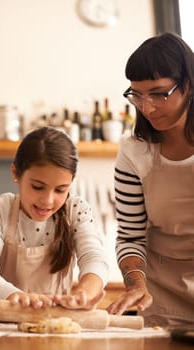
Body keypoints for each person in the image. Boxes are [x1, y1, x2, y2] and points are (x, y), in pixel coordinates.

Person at [107, 33, 194, 327]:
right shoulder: (135, 152)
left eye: (159, 93)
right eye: (137, 95)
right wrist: (135, 284)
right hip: (163, 301)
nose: (148, 107)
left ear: (189, 84)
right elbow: (131, 237)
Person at [0, 127, 108, 309]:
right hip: (1, 325)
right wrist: (14, 295)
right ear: (15, 174)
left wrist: (84, 293)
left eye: (60, 190)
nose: (48, 201)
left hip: (56, 324)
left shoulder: (76, 209)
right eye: (37, 187)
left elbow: (94, 258)